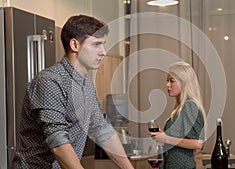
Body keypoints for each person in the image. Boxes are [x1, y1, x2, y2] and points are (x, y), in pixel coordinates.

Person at [12, 15, 134, 169]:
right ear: (75, 45)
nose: (103, 52)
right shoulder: (50, 81)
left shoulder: (86, 82)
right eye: (96, 44)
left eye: (103, 44)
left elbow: (102, 130)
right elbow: (58, 142)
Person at [149, 62, 205, 169]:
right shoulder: (181, 107)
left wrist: (166, 138)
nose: (167, 85)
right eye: (167, 81)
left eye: (172, 81)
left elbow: (198, 144)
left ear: (184, 83)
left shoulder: (190, 106)